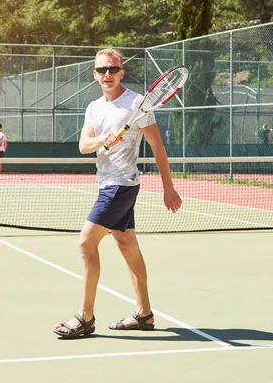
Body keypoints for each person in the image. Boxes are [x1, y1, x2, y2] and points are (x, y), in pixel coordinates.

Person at [53, 48, 182, 339]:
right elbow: (84, 146)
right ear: (95, 74)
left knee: (86, 244)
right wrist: (103, 138)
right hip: (106, 183)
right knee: (127, 245)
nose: (107, 75)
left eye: (113, 69)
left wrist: (168, 186)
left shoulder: (137, 103)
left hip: (121, 185)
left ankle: (85, 317)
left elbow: (158, 148)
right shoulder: (94, 107)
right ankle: (144, 313)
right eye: (102, 70)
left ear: (121, 72)